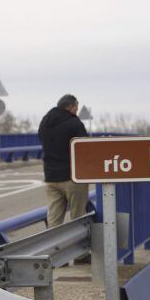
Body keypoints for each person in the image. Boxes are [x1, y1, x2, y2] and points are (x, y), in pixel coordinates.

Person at [38, 94, 89, 227]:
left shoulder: (44, 122)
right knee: (78, 218)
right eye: (76, 109)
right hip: (72, 178)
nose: (76, 112)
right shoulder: (74, 123)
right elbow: (86, 148)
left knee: (54, 220)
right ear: (71, 107)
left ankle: (54, 246)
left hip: (51, 178)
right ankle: (78, 246)